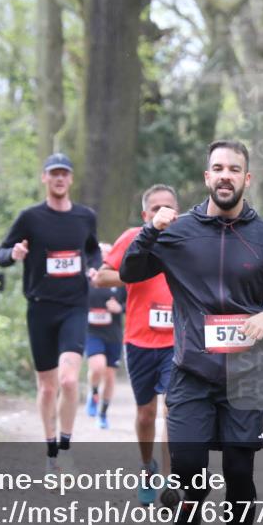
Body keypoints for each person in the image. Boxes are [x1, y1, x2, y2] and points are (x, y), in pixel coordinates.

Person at [120, 140, 263, 525]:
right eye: (217, 168)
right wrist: (150, 229)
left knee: (240, 473)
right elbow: (130, 272)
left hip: (245, 373)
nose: (225, 176)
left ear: (247, 180)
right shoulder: (179, 230)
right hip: (191, 369)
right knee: (187, 462)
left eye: (235, 169)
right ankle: (192, 495)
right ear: (207, 177)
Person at [0, 153, 101, 477]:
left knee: (69, 380)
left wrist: (94, 266)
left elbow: (93, 248)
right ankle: (51, 449)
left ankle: (65, 449)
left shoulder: (85, 217)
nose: (59, 179)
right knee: (47, 387)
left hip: (74, 306)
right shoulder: (29, 218)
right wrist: (13, 253)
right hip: (40, 307)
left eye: (64, 174)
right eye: (53, 174)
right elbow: (0, 254)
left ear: (70, 179)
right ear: (44, 178)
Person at [90, 184, 180, 506]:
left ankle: (171, 481)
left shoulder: (184, 239)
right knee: (146, 414)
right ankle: (147, 468)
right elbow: (101, 277)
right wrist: (135, 271)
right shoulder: (132, 238)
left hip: (176, 340)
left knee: (173, 410)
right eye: (155, 208)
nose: (162, 212)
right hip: (139, 339)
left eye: (168, 207)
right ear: (146, 215)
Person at [84, 243, 127, 430]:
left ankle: (103, 413)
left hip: (113, 333)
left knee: (109, 376)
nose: (103, 256)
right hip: (91, 331)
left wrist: (120, 308)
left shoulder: (119, 279)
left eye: (107, 253)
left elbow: (131, 304)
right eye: (100, 253)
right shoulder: (86, 279)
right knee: (97, 367)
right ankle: (93, 393)